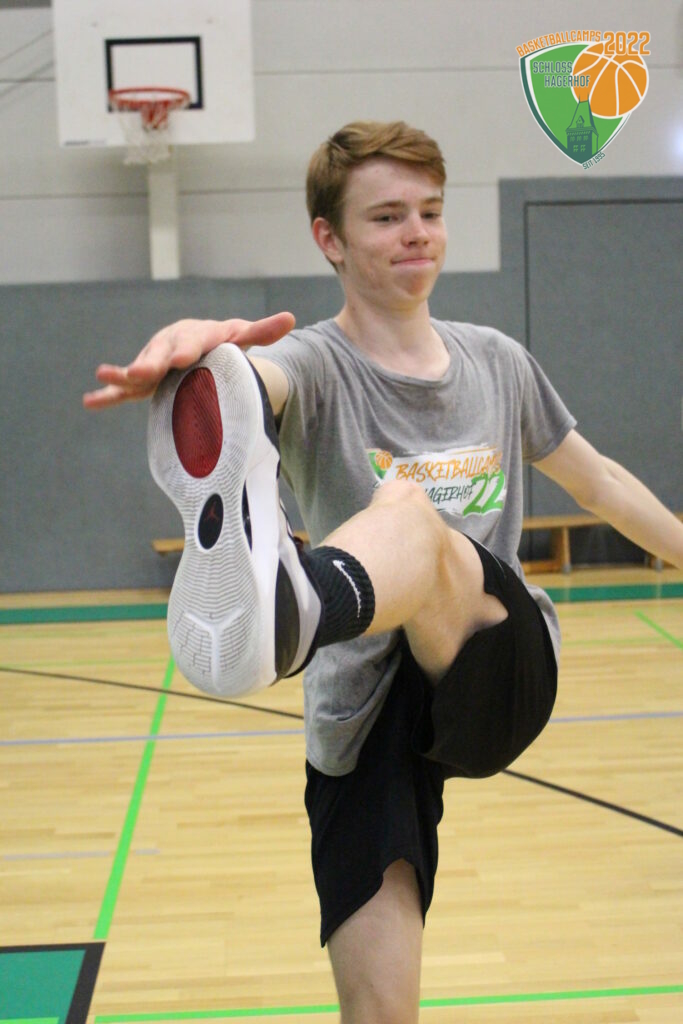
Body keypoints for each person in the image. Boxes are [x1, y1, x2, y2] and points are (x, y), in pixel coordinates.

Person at [84, 120, 683, 1023]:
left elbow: (597, 481)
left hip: (493, 660)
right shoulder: (314, 363)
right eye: (387, 216)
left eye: (430, 211)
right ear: (328, 238)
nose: (416, 233)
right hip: (361, 705)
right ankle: (293, 608)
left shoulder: (497, 362)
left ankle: (296, 605)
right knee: (377, 1011)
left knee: (410, 515)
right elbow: (253, 386)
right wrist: (208, 364)